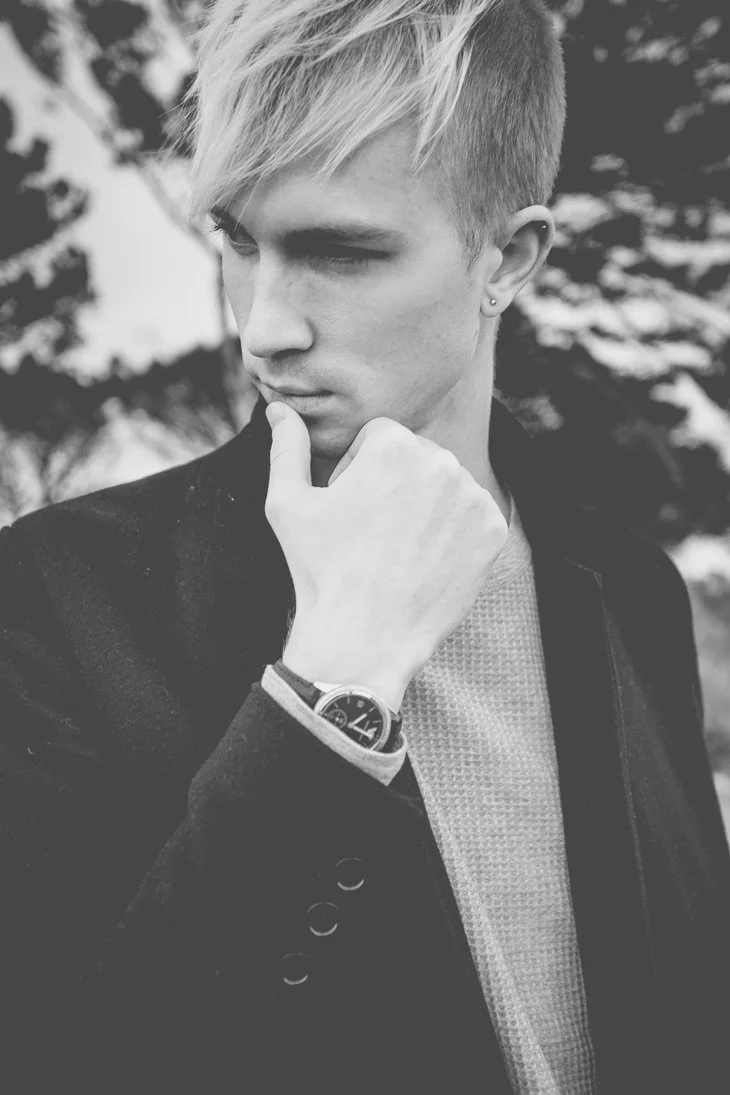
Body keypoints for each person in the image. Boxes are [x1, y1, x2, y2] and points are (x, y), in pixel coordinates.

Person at [2, 0, 729, 1092]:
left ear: (511, 257)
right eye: (238, 241)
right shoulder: (59, 597)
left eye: (340, 253)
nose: (263, 325)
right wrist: (331, 688)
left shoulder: (631, 591)